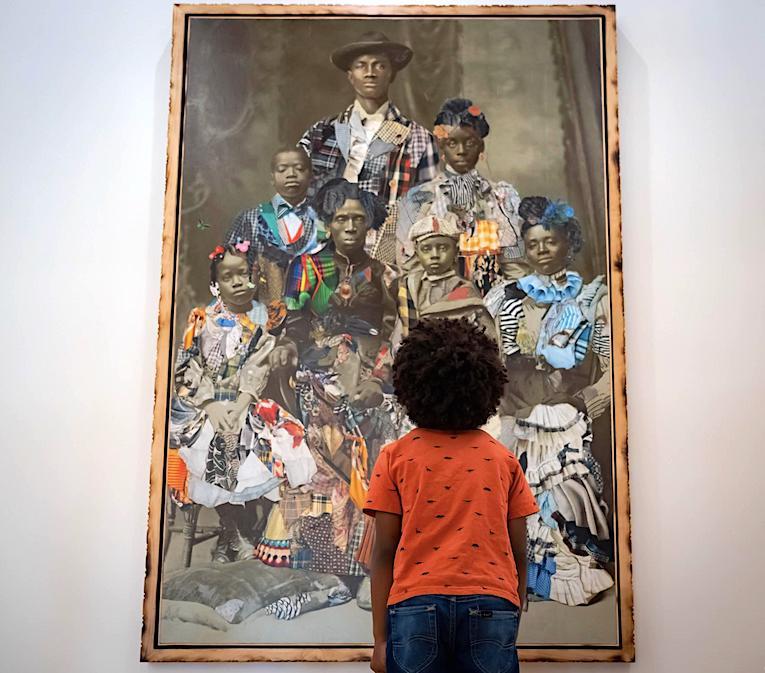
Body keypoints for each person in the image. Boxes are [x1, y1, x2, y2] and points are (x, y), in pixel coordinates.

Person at [365, 318, 539, 673]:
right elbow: (520, 549)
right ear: (486, 387)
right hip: (492, 600)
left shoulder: (395, 457)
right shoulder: (503, 460)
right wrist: (514, 603)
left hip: (415, 602)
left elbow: (383, 553)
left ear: (410, 386)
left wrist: (380, 641)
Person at [261, 178, 401, 585]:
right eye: (343, 219)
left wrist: (379, 376)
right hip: (319, 371)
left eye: (359, 219)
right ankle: (328, 552)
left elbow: (394, 330)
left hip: (372, 372)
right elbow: (296, 319)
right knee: (326, 432)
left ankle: (369, 552)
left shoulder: (383, 273)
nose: (352, 226)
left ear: (369, 224)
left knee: (379, 434)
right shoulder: (307, 267)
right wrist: (288, 342)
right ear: (329, 224)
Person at [484, 196, 613, 606]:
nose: (542, 251)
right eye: (534, 243)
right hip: (513, 404)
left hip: (565, 410)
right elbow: (493, 359)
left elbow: (616, 370)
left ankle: (559, 567)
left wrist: (583, 403)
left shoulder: (594, 299)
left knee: (558, 484)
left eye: (551, 242)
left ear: (568, 244)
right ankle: (509, 570)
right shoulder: (508, 299)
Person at [171, 242, 314, 562]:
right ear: (215, 285)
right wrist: (211, 405)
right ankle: (231, 526)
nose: (237, 282)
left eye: (243, 275)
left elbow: (257, 367)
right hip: (204, 407)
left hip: (243, 403)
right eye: (228, 276)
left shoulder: (256, 325)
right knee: (215, 440)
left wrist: (241, 402)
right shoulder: (200, 322)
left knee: (268, 442)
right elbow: (188, 368)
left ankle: (245, 526)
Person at [298, 31, 439, 255]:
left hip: (389, 258)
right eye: (361, 65)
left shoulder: (418, 138)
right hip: (326, 256)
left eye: (380, 66)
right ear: (350, 75)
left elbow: (429, 208)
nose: (370, 73)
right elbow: (297, 196)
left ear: (391, 73)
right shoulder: (321, 133)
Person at [396, 98, 525, 295]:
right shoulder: (420, 199)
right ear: (442, 146)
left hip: (494, 300)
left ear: (481, 147)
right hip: (437, 303)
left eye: (470, 143)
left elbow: (515, 265)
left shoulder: (501, 197)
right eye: (452, 143)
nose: (461, 151)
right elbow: (407, 266)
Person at [225, 147, 327, 305]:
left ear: (310, 176)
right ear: (272, 178)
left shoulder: (322, 221)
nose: (291, 174)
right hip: (263, 315)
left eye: (299, 169)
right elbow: (230, 271)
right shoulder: (251, 219)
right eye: (282, 169)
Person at [397, 211, 496, 339]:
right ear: (417, 252)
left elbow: (490, 339)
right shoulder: (409, 286)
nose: (434, 255)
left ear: (455, 251)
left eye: (443, 248)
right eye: (426, 249)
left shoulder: (466, 292)